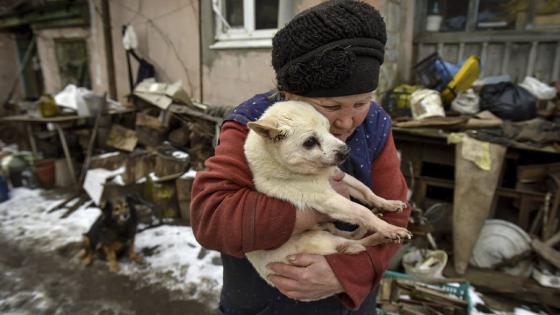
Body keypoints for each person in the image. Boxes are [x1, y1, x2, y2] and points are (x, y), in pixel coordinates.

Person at [190, 1, 411, 314]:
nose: (347, 122)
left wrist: (348, 273)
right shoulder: (259, 127)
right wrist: (315, 210)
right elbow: (211, 218)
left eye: (361, 103)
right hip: (264, 304)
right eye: (331, 107)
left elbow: (396, 214)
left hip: (347, 305)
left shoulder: (375, 124)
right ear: (291, 96)